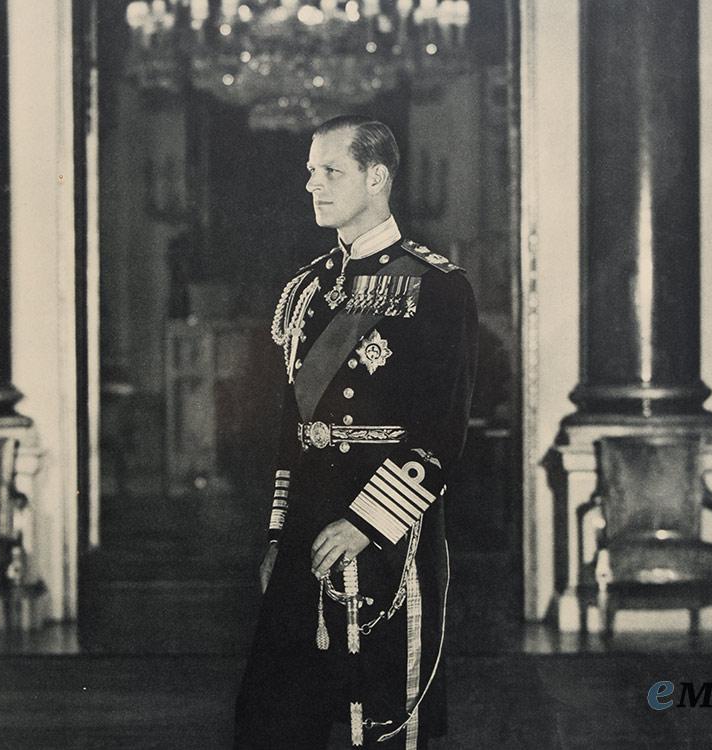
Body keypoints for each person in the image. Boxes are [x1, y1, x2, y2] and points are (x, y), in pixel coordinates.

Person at [234, 115, 478, 749]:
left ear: (377, 178)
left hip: (386, 529)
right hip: (306, 529)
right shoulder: (307, 290)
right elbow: (295, 429)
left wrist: (367, 524)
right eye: (311, 171)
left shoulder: (437, 288)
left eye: (330, 171)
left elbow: (440, 433)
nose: (313, 185)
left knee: (380, 716)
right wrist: (278, 532)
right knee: (278, 715)